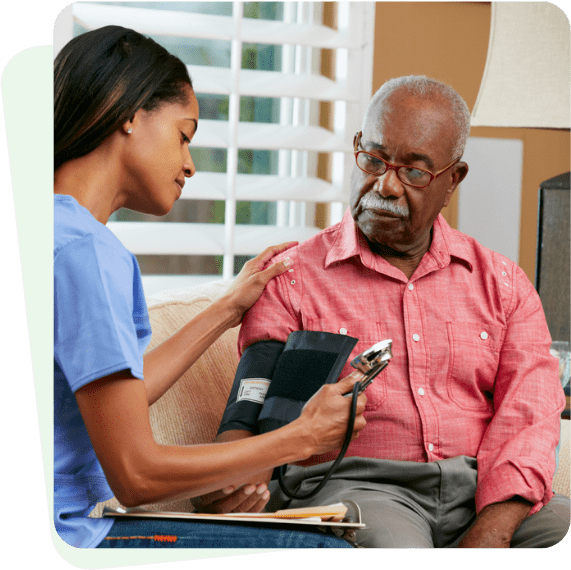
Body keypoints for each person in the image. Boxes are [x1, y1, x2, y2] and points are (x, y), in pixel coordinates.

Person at [197, 75, 570, 548]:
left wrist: (492, 532)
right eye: (373, 159)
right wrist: (227, 475)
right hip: (363, 491)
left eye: (414, 172)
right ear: (357, 147)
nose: (386, 186)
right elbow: (250, 410)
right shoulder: (291, 278)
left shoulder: (503, 284)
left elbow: (530, 416)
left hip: (482, 492)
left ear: (452, 180)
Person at [53, 25, 367, 550]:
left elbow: (112, 399)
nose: (190, 165)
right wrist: (299, 437)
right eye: (184, 135)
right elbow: (136, 474)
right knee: (327, 550)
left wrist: (226, 308)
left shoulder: (52, 232)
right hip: (72, 536)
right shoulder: (86, 251)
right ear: (127, 112)